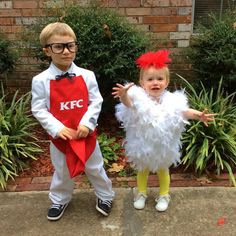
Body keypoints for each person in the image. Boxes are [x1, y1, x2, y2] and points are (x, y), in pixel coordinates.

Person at [112, 50, 215, 212]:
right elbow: (128, 104)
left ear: (166, 82)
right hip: (142, 144)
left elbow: (183, 112)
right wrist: (123, 95)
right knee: (142, 169)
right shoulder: (137, 98)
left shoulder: (173, 101)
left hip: (163, 145)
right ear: (142, 82)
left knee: (163, 169)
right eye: (150, 79)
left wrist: (198, 115)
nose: (155, 83)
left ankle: (164, 194)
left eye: (160, 79)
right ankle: (141, 193)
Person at [31, 22, 115, 221]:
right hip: (61, 138)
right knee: (62, 170)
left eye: (70, 45)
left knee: (95, 167)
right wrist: (58, 128)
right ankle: (60, 199)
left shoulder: (87, 75)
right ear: (47, 51)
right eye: (58, 46)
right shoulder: (40, 80)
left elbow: (96, 101)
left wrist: (87, 123)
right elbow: (38, 109)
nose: (66, 51)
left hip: (86, 134)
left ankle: (105, 196)